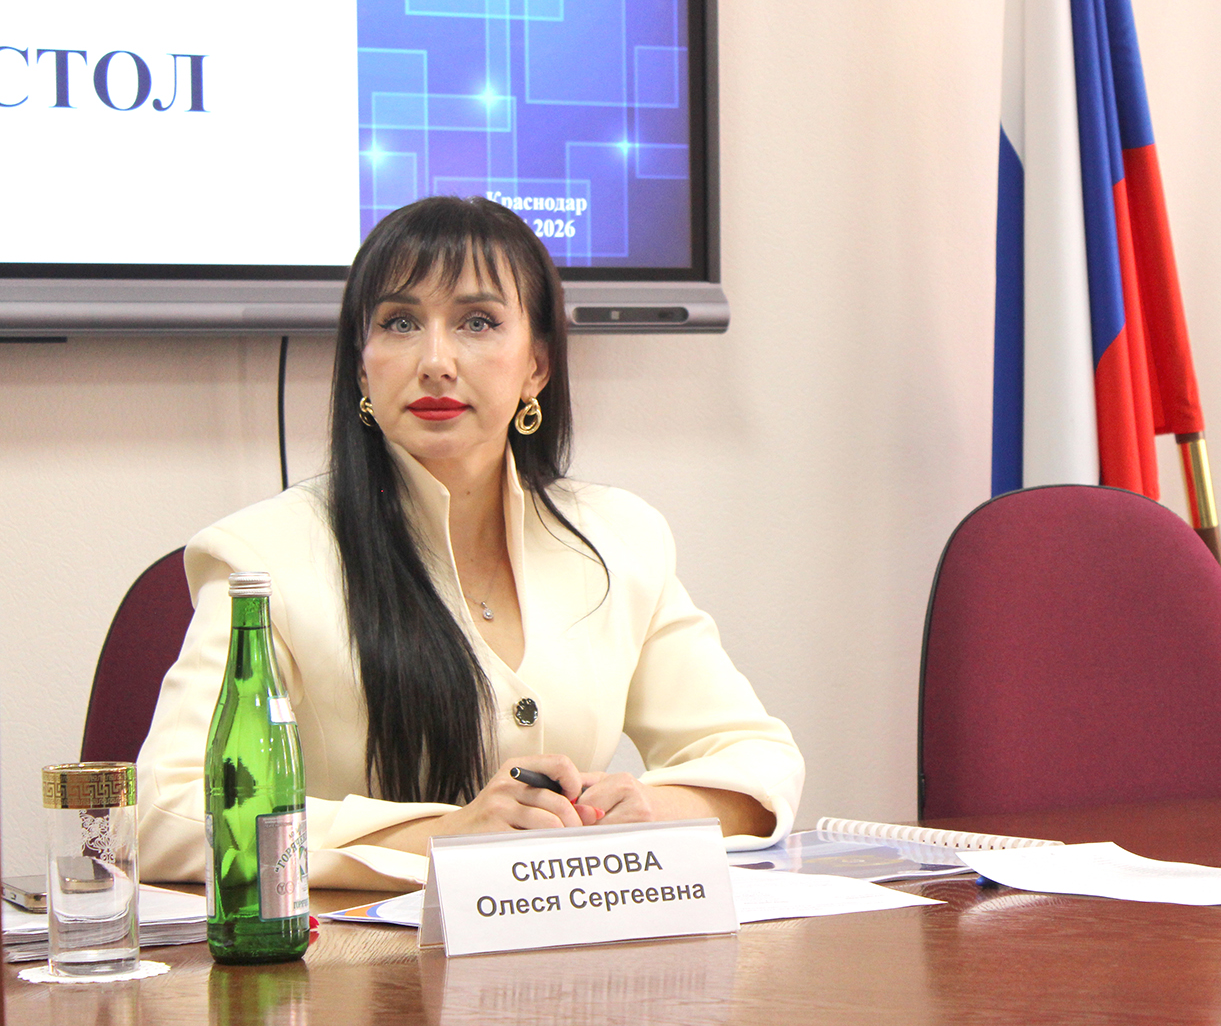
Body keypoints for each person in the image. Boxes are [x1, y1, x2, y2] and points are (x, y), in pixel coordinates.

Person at [136, 196, 804, 887]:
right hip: (353, 952)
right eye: (399, 323)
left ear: (537, 365)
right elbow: (164, 811)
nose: (436, 361)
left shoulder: (621, 539)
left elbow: (761, 761)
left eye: (477, 322)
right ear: (362, 368)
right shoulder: (261, 556)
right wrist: (441, 835)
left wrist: (650, 808)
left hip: (572, 943)